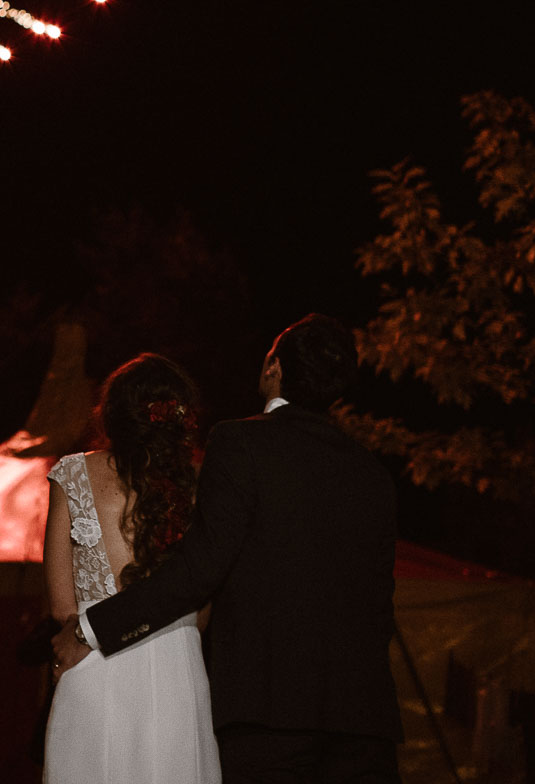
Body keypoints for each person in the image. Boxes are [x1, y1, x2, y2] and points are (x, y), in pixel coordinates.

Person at [52, 314, 403, 784]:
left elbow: (200, 568)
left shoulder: (241, 443)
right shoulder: (372, 473)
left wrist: (89, 630)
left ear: (273, 367)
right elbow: (380, 602)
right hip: (364, 721)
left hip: (269, 714)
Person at [42, 353, 220, 783]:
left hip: (91, 667)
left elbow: (61, 604)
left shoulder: (72, 474)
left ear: (113, 411)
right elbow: (201, 611)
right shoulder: (201, 484)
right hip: (179, 673)